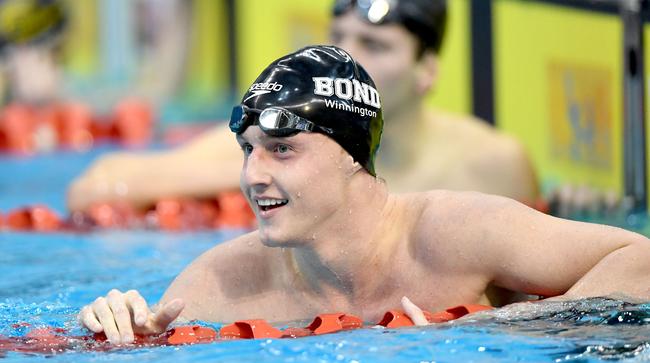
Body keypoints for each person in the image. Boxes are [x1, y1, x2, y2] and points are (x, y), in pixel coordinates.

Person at [79, 46, 650, 344]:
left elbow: (640, 262)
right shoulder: (222, 282)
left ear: (352, 153)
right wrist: (119, 335)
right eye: (248, 149)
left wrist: (514, 325)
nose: (252, 174)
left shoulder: (452, 233)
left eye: (282, 150)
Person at [67, 0, 538, 213]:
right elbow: (96, 186)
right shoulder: (278, 142)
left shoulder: (491, 165)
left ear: (426, 71)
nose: (347, 58)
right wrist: (258, 173)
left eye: (374, 44)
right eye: (338, 38)